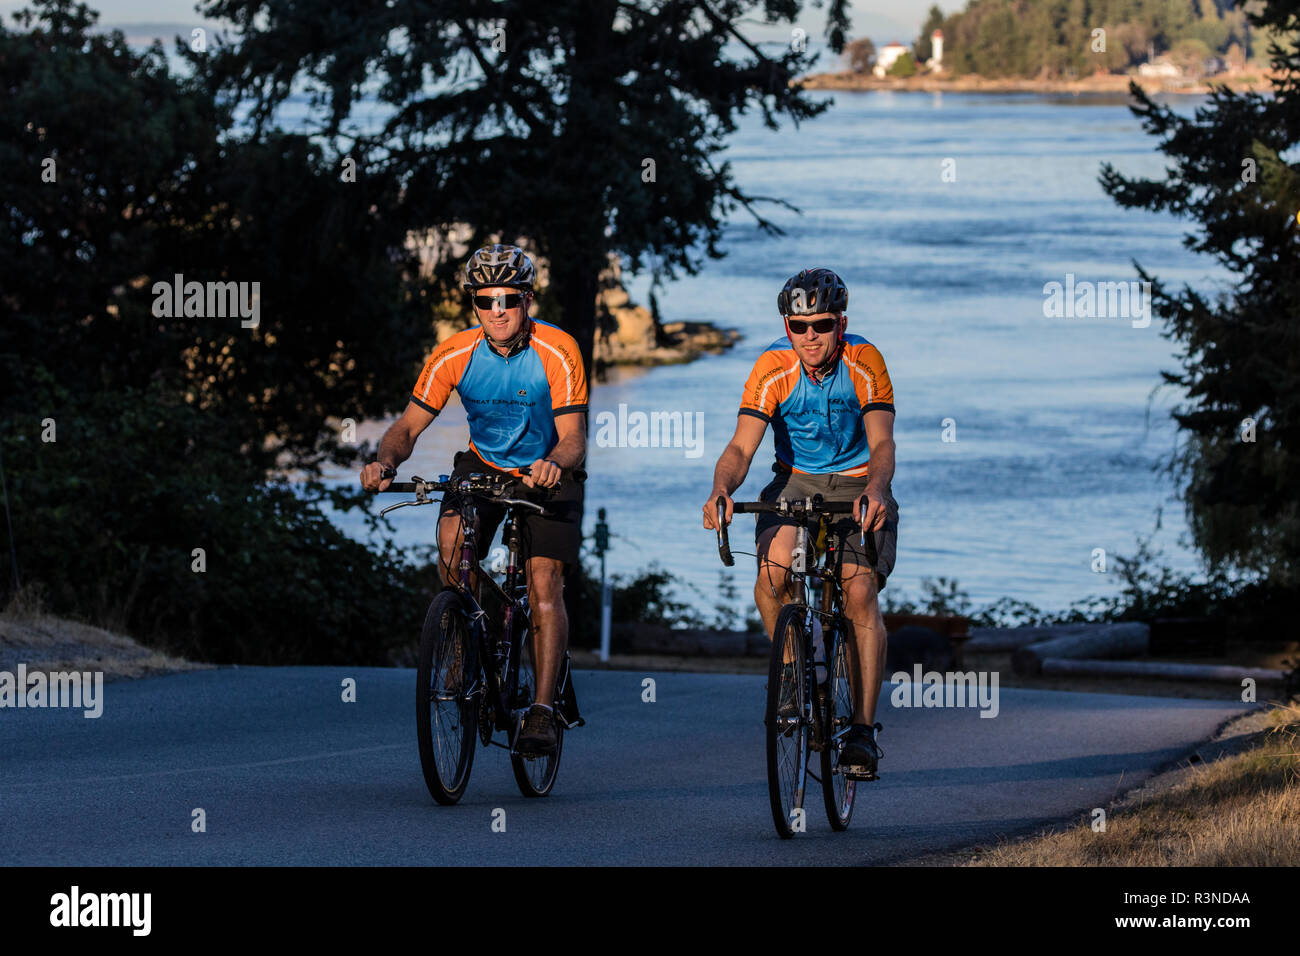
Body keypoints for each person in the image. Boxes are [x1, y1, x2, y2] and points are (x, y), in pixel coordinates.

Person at [360, 244, 587, 756]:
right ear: (474, 305)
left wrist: (556, 462)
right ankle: (461, 632)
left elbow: (575, 436)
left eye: (508, 298)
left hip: (549, 468)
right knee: (450, 540)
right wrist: (386, 463)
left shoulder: (558, 349)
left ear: (527, 299)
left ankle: (544, 711)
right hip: (484, 464)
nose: (497, 310)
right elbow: (407, 426)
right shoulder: (454, 353)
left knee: (544, 582)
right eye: (485, 300)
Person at [702, 267, 898, 779]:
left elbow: (882, 444)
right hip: (795, 480)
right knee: (771, 576)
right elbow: (742, 446)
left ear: (842, 323)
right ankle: (792, 676)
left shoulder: (864, 360)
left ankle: (861, 729)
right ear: (786, 326)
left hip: (858, 481)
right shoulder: (772, 366)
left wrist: (877, 489)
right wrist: (722, 489)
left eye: (823, 325)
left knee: (858, 593)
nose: (810, 336)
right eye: (798, 325)